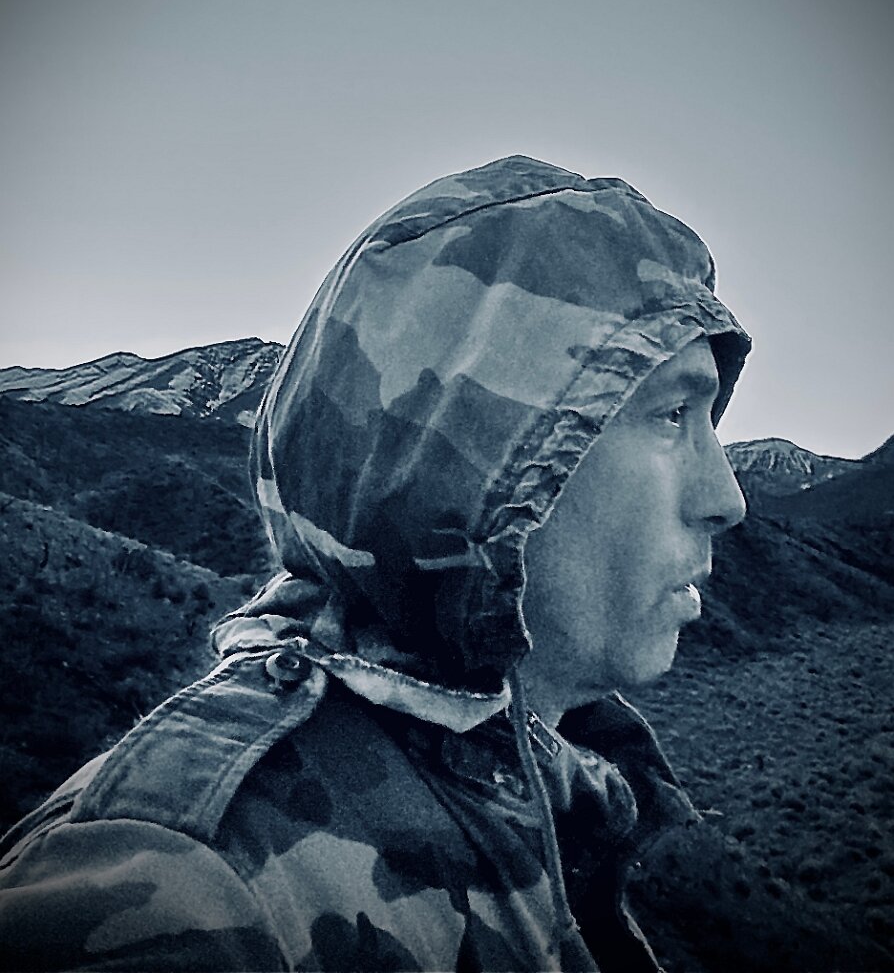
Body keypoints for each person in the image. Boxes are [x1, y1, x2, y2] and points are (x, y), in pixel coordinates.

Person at [0, 154, 749, 971]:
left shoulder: (561, 782)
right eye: (671, 415)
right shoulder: (183, 888)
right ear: (484, 460)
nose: (727, 498)